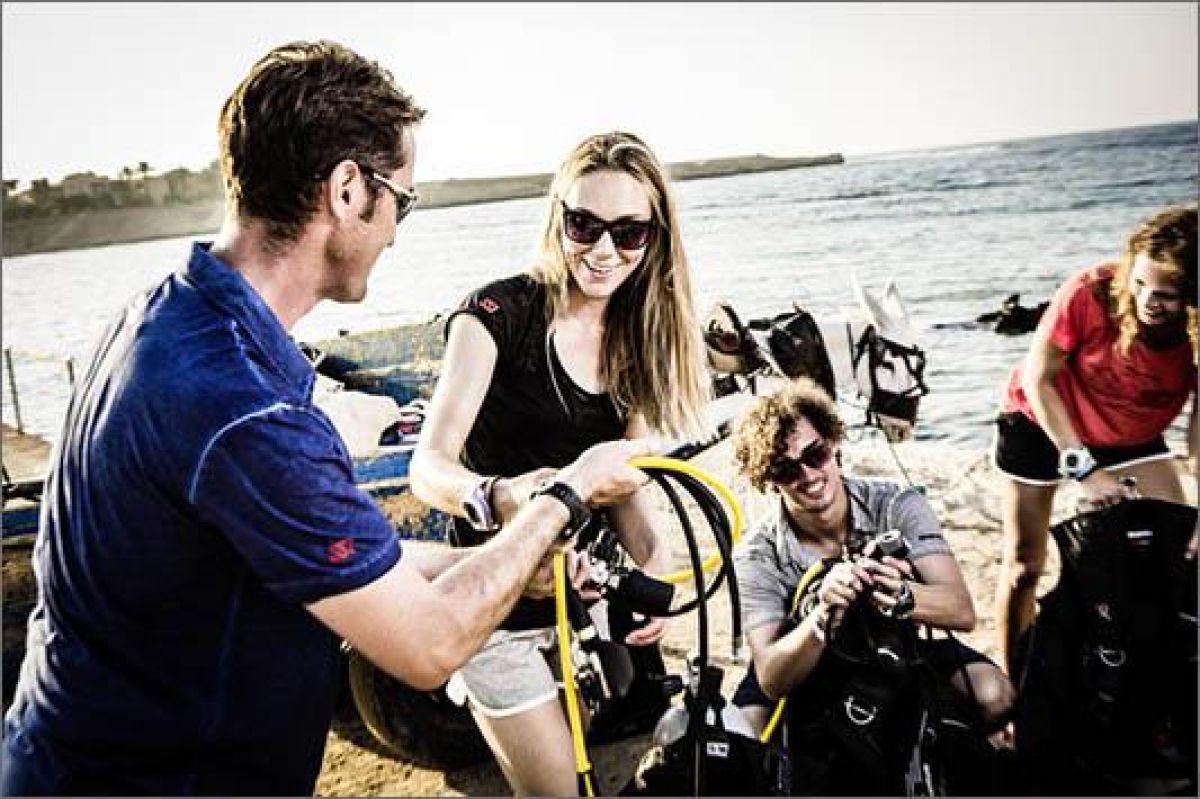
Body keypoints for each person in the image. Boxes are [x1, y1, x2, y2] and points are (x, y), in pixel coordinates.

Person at [0, 41, 655, 796]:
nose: (396, 230)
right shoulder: (247, 411)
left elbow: (347, 557)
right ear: (348, 190)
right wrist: (564, 495)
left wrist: (510, 570)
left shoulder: (162, 319)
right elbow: (430, 645)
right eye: (401, 201)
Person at [409, 130, 710, 796]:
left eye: (628, 233)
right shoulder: (495, 315)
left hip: (585, 602)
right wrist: (503, 495)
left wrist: (655, 563)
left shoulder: (642, 334)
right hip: (495, 608)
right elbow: (427, 467)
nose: (602, 251)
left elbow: (624, 483)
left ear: (655, 237)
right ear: (558, 217)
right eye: (584, 225)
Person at [728, 378, 1014, 748]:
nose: (808, 476)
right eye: (785, 469)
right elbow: (771, 677)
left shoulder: (896, 505)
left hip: (898, 645)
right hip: (806, 660)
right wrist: (821, 616)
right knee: (742, 739)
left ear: (835, 445)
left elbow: (961, 611)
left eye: (815, 455)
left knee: (994, 695)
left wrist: (903, 596)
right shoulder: (756, 554)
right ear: (768, 479)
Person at [991, 205, 1197, 675]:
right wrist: (1082, 468)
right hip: (1042, 421)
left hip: (1130, 432)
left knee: (1181, 548)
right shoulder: (1090, 291)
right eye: (1139, 284)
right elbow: (1040, 378)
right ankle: (1014, 686)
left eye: (1166, 294)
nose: (1147, 301)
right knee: (1024, 565)